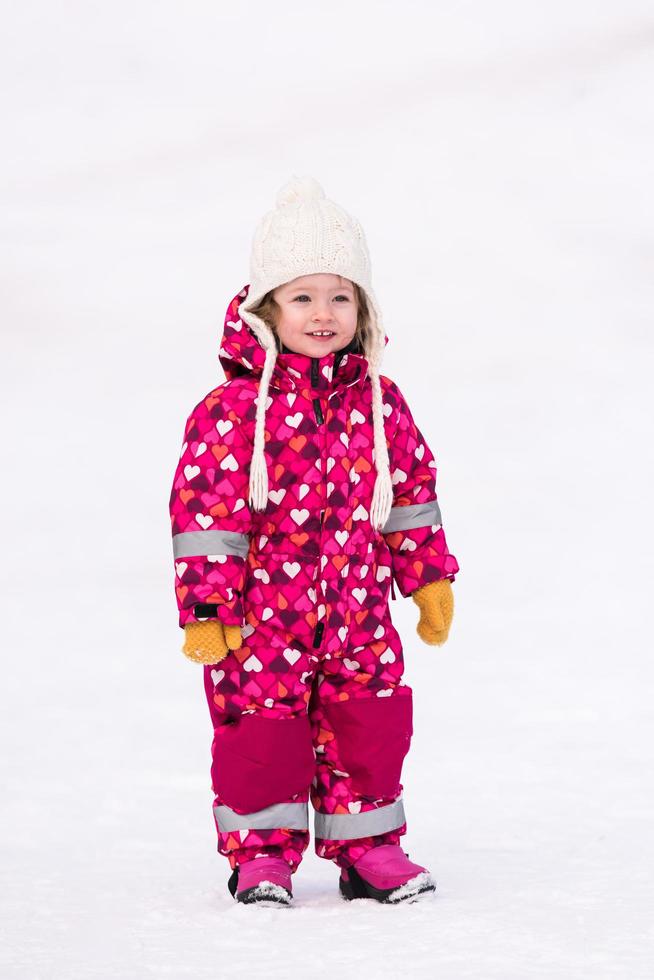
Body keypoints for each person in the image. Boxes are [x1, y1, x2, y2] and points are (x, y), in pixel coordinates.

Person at [169, 175, 460, 907]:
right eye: (302, 297)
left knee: (369, 721)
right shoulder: (235, 410)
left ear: (362, 306)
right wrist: (209, 610)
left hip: (359, 607)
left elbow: (411, 495)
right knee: (261, 732)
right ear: (266, 308)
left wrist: (426, 578)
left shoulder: (378, 401)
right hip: (264, 616)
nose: (323, 313)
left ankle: (369, 848)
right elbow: (207, 513)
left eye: (340, 296)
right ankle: (261, 854)